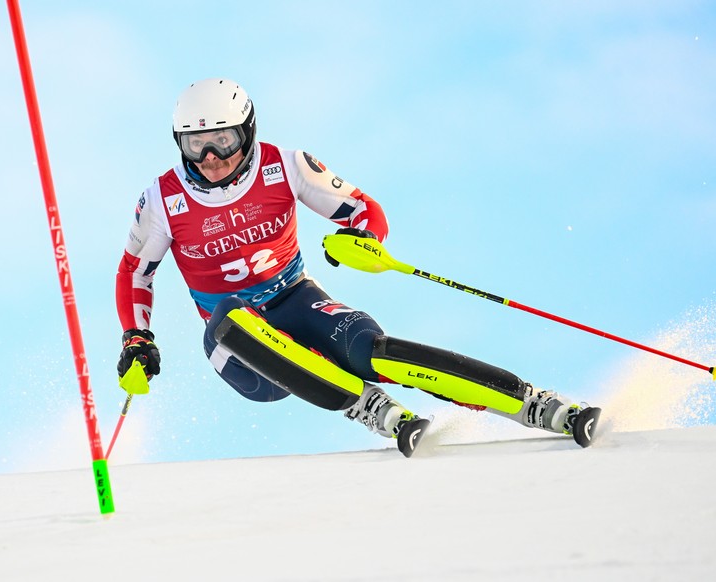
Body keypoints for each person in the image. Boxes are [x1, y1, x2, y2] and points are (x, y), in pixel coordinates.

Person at [115, 78, 600, 457]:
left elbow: (363, 209)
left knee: (371, 350)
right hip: (240, 346)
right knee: (229, 318)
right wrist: (137, 338)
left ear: (247, 131)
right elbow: (135, 273)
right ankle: (361, 404)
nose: (211, 158)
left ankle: (533, 403)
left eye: (223, 139)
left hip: (297, 298)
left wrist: (364, 239)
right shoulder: (162, 199)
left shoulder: (285, 165)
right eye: (195, 144)